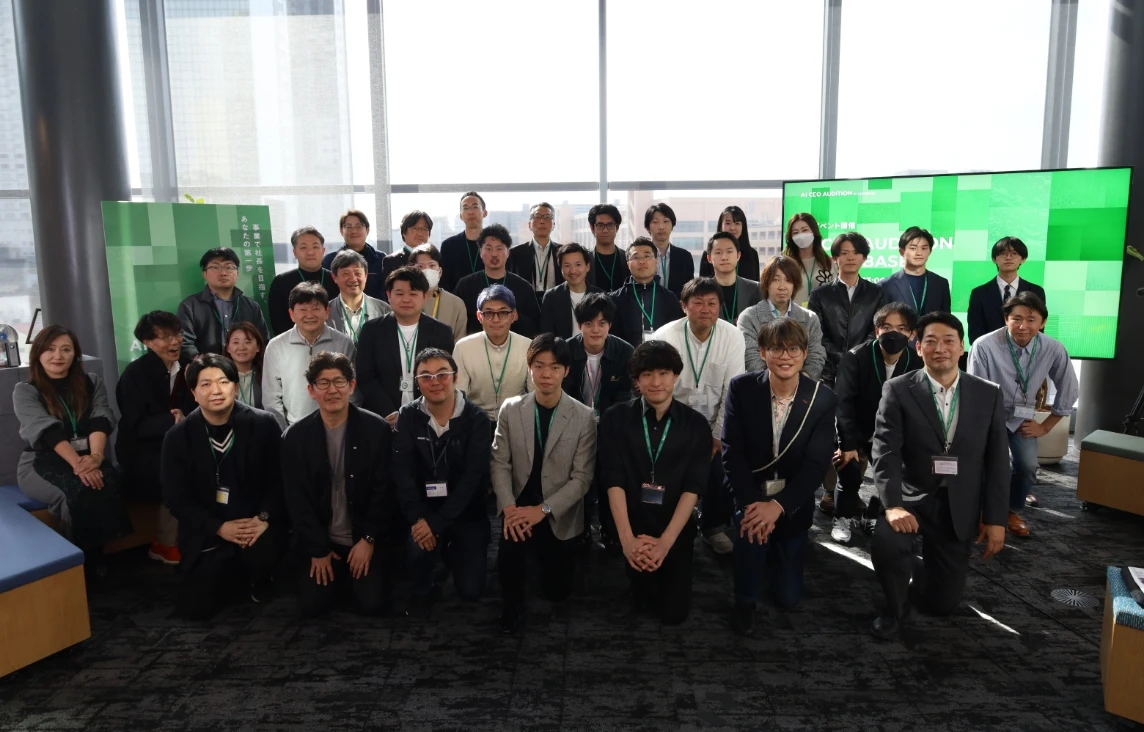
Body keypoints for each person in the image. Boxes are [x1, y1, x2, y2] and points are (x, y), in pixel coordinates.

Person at [869, 312, 1008, 640]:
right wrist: (892, 505)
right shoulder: (898, 389)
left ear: (962, 347)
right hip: (910, 496)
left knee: (942, 605)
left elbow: (998, 461)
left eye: (948, 341)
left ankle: (919, 569)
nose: (940, 348)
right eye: (930, 341)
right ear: (918, 348)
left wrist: (996, 519)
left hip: (958, 502)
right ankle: (894, 608)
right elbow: (885, 452)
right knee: (888, 543)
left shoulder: (988, 393)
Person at [723, 319, 838, 634]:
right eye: (776, 349)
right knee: (750, 528)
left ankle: (776, 550)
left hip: (792, 501)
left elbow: (815, 466)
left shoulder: (823, 398)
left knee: (788, 598)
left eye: (793, 349)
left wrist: (778, 506)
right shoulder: (742, 388)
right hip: (751, 493)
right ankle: (745, 601)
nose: (785, 356)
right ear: (762, 352)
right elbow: (732, 453)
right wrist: (752, 505)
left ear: (805, 354)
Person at [162, 353, 285, 620]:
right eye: (205, 384)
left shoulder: (263, 424)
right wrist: (218, 527)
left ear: (235, 387)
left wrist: (263, 518)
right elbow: (176, 498)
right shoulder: (178, 437)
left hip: (255, 523)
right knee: (196, 607)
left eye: (223, 382)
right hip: (208, 528)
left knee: (265, 568)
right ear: (193, 392)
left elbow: (280, 481)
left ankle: (258, 577)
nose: (216, 390)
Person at [599, 341, 711, 625]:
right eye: (647, 374)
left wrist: (664, 544)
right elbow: (613, 479)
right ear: (636, 381)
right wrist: (627, 541)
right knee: (640, 600)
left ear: (676, 376)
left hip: (673, 527)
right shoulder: (615, 419)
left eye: (663, 373)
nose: (656, 382)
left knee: (674, 614)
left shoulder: (696, 424)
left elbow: (694, 487)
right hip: (631, 524)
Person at [492, 334, 597, 634]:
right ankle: (512, 608)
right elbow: (499, 463)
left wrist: (543, 510)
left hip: (557, 511)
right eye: (539, 366)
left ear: (566, 370)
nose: (546, 374)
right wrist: (509, 509)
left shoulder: (583, 416)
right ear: (529, 368)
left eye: (554, 367)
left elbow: (582, 479)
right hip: (518, 506)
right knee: (508, 563)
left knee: (557, 592)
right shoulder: (511, 409)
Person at [283, 352, 391, 617]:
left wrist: (368, 539)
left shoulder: (376, 429)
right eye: (323, 383)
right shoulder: (295, 437)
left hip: (362, 537)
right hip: (320, 540)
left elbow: (384, 492)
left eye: (339, 382)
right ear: (311, 391)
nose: (332, 390)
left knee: (372, 604)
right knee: (311, 606)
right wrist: (318, 549)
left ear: (351, 386)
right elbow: (297, 500)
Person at [392, 348, 493, 618]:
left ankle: (450, 552)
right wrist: (419, 519)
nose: (434, 381)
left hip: (466, 511)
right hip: (423, 511)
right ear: (417, 382)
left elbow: (473, 480)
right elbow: (402, 473)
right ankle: (424, 586)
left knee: (471, 590)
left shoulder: (477, 420)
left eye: (442, 374)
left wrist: (438, 523)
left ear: (455, 377)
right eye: (426, 376)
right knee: (417, 547)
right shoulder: (408, 415)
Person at [967, 292, 1077, 536]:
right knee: (986, 466)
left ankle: (1010, 511)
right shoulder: (984, 346)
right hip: (987, 419)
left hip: (1021, 419)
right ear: (1006, 319)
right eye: (1016, 318)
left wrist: (1045, 426)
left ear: (1043, 322)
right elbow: (976, 392)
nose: (1023, 326)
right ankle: (984, 513)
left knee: (1027, 466)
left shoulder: (1053, 348)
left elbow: (1069, 387)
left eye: (1031, 320)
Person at [14, 326, 132, 551]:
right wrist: (79, 466)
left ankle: (102, 556)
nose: (58, 356)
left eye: (66, 349)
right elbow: (48, 432)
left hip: (88, 457)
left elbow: (101, 419)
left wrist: (96, 457)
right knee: (76, 490)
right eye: (50, 349)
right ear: (38, 353)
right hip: (41, 461)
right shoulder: (26, 390)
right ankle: (79, 559)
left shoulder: (92, 382)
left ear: (75, 354)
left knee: (109, 481)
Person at [653, 278, 746, 554]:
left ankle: (713, 526)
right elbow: (657, 390)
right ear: (684, 306)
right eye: (698, 302)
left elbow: (732, 390)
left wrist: (718, 436)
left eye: (712, 303)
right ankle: (669, 524)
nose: (705, 309)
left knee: (722, 466)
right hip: (673, 421)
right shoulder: (665, 337)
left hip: (717, 422)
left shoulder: (732, 336)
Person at [832, 303, 921, 543]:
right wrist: (847, 444)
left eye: (901, 328)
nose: (893, 333)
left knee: (893, 477)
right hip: (856, 429)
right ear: (876, 330)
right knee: (849, 471)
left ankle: (871, 516)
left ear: (912, 334)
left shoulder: (915, 361)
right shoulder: (856, 357)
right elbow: (843, 403)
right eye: (887, 327)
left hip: (891, 432)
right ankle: (842, 517)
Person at [115, 311, 196, 565]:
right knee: (178, 471)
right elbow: (135, 423)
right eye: (165, 337)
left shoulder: (189, 366)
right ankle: (165, 543)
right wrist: (171, 420)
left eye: (177, 334)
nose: (175, 342)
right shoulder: (135, 374)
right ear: (147, 342)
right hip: (142, 449)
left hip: (182, 440)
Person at [564, 293, 634, 548]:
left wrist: (608, 425)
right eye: (589, 323)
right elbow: (563, 394)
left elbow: (626, 397)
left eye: (602, 323)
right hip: (573, 425)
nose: (595, 329)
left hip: (610, 425)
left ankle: (610, 530)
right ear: (579, 324)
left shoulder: (625, 351)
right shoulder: (565, 350)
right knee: (576, 478)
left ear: (610, 325)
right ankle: (579, 530)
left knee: (610, 477)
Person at [355, 266, 455, 428]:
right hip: (382, 420)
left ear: (425, 296)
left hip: (428, 419)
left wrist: (424, 413)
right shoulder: (371, 330)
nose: (406, 299)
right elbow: (365, 377)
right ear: (389, 295)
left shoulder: (441, 332)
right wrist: (389, 413)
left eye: (413, 294)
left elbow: (444, 377)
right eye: (400, 294)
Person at [262, 282, 358, 428]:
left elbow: (353, 392)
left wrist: (344, 426)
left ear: (327, 312)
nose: (310, 315)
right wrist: (284, 432)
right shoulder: (276, 346)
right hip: (292, 428)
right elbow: (271, 398)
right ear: (291, 314)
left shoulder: (344, 343)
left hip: (338, 427)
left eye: (316, 308)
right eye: (303, 309)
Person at [808, 232, 886, 389]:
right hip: (828, 369)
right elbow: (816, 332)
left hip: (865, 366)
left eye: (856, 253)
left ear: (864, 258)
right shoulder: (820, 294)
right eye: (844, 253)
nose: (851, 258)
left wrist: (856, 355)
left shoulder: (876, 293)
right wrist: (840, 357)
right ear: (835, 258)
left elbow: (878, 329)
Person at [454, 285, 533, 421]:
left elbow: (534, 394)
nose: (496, 320)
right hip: (475, 420)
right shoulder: (463, 347)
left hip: (516, 418)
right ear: (479, 316)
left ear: (513, 316)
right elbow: (458, 397)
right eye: (489, 313)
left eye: (503, 313)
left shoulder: (528, 346)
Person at [738, 255, 826, 378]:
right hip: (762, 384)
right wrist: (776, 383)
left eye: (788, 280)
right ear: (766, 283)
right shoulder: (748, 317)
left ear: (795, 285)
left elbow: (816, 356)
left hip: (802, 385)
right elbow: (751, 358)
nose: (782, 287)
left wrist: (799, 382)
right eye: (775, 280)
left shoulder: (810, 319)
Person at [178, 247, 269, 361]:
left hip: (245, 367)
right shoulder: (190, 306)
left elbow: (262, 341)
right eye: (215, 267)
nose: (223, 273)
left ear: (237, 274)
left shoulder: (251, 306)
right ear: (204, 274)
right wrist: (204, 365)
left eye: (229, 267)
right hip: (207, 369)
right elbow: (185, 343)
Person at [454, 224, 542, 338]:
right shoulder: (465, 286)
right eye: (489, 249)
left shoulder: (524, 287)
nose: (494, 254)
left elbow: (535, 326)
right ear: (480, 252)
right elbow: (456, 322)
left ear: (508, 252)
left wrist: (517, 317)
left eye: (499, 249)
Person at [966, 236, 1048, 345]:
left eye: (1014, 253)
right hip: (989, 351)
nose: (1008, 257)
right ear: (994, 259)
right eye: (1003, 253)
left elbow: (1038, 328)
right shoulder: (979, 293)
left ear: (1023, 259)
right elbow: (975, 331)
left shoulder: (1036, 291)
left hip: (1025, 351)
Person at [608, 237, 683, 350]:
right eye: (636, 257)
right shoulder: (614, 300)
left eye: (647, 256)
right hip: (625, 358)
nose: (642, 262)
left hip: (661, 357)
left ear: (656, 261)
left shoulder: (669, 298)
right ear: (628, 264)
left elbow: (677, 334)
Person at [268, 226, 339, 336]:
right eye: (303, 247)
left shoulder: (336, 280)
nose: (310, 252)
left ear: (323, 251)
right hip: (294, 342)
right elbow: (278, 323)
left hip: (334, 340)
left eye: (315, 247)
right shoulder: (281, 282)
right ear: (295, 252)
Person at [879, 226, 952, 315]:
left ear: (930, 251)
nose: (919, 253)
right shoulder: (886, 285)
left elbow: (946, 319)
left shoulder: (941, 284)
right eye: (913, 248)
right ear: (902, 252)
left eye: (924, 248)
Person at [326, 249, 392, 343]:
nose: (353, 279)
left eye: (357, 273)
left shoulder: (384, 309)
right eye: (346, 273)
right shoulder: (325, 311)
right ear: (334, 277)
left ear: (366, 276)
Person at [540, 243, 603, 339]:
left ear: (587, 267)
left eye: (578, 265)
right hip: (562, 348)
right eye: (567, 266)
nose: (573, 271)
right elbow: (547, 335)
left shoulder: (601, 296)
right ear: (561, 268)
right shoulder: (551, 297)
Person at [320, 209, 386, 300]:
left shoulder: (382, 259)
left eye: (358, 226)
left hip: (375, 308)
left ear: (367, 230)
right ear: (341, 231)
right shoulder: (330, 260)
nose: (354, 231)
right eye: (348, 227)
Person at [410, 243, 468, 342]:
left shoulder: (456, 304)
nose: (427, 270)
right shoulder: (405, 301)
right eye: (420, 266)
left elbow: (460, 344)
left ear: (440, 272)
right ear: (412, 271)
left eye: (432, 265)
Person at [509, 202, 563, 300]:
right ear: (529, 224)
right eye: (537, 216)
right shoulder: (515, 253)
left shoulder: (563, 252)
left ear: (554, 225)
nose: (542, 221)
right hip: (525, 304)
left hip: (556, 304)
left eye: (547, 217)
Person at [705, 231, 761, 324]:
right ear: (709, 258)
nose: (724, 257)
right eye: (718, 253)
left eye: (729, 252)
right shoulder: (702, 291)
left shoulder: (756, 289)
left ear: (738, 255)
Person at [439, 191, 488, 293]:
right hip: (457, 301)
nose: (470, 212)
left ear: (484, 213)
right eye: (465, 208)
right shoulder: (448, 246)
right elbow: (445, 284)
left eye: (475, 207)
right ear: (461, 215)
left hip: (490, 301)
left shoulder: (495, 245)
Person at [645, 203, 694, 299]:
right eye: (655, 222)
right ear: (648, 227)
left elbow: (690, 291)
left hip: (677, 307)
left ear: (672, 226)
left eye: (666, 221)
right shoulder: (640, 257)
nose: (661, 227)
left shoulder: (684, 257)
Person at [699, 205, 761, 281]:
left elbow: (755, 284)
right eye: (728, 223)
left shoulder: (752, 254)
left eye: (737, 223)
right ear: (720, 225)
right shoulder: (709, 253)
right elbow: (702, 285)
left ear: (743, 227)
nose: (732, 228)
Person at [783, 213, 834, 306]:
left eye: (805, 230)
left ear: (814, 231)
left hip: (822, 314)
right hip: (792, 314)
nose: (801, 235)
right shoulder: (785, 264)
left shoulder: (829, 263)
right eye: (795, 232)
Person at [381, 211, 433, 296]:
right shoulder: (392, 261)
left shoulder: (435, 259)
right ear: (404, 232)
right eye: (415, 228)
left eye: (424, 229)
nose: (420, 233)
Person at [587, 203, 629, 292]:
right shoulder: (585, 259)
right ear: (592, 228)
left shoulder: (627, 258)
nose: (605, 230)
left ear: (617, 227)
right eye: (600, 225)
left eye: (610, 225)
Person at [224, 322, 266, 409]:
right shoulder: (220, 376)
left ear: (258, 347)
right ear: (228, 348)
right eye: (236, 342)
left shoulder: (266, 374)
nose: (242, 348)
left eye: (247, 342)